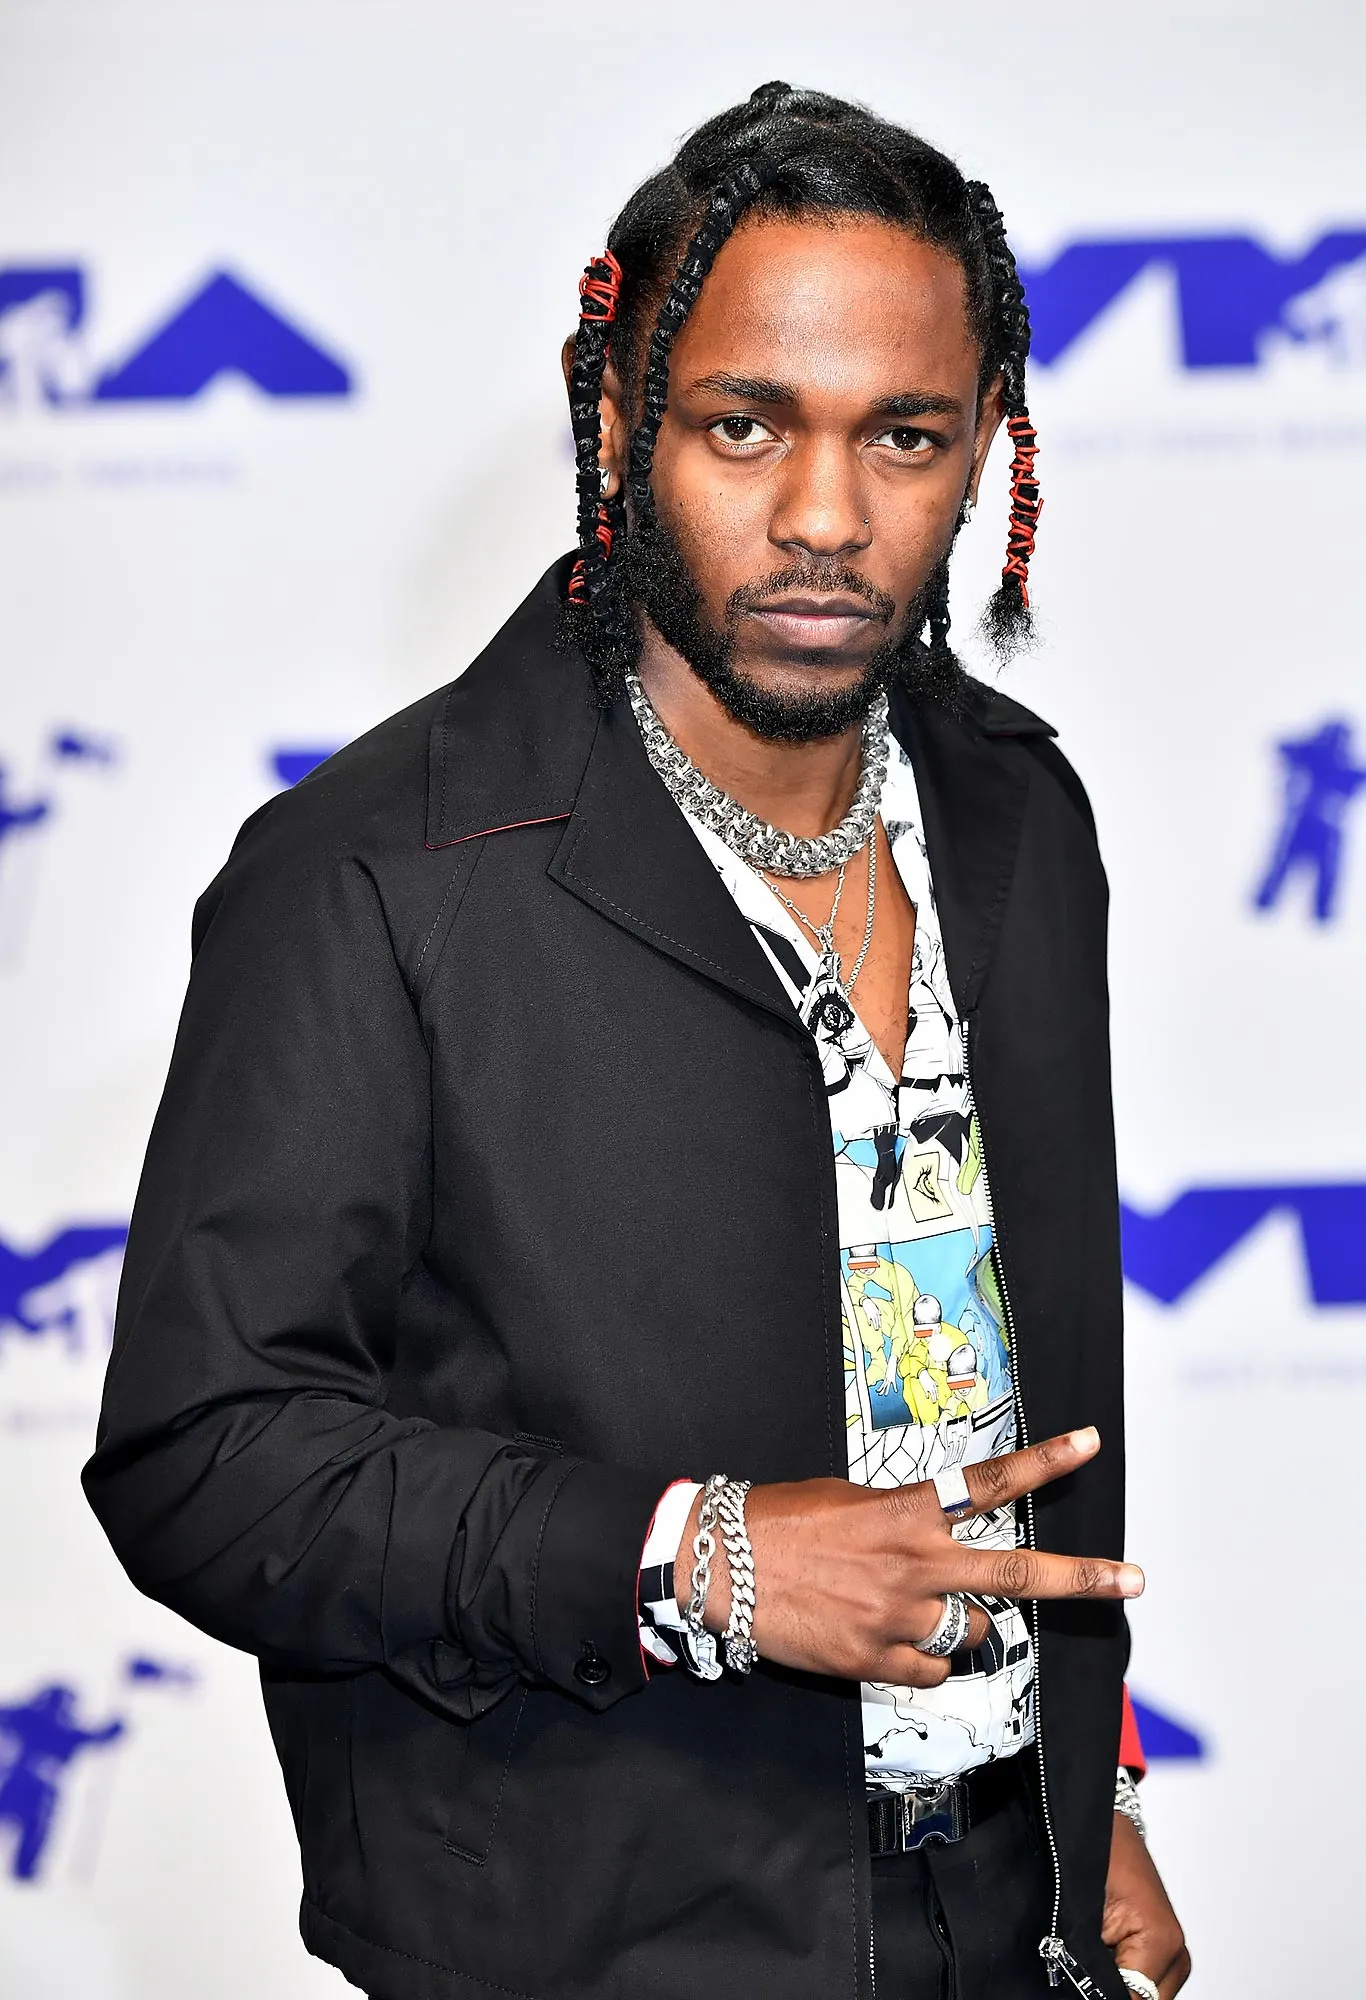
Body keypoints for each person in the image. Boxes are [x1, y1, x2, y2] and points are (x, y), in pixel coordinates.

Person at [84, 83, 1190, 2000]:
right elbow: (210, 1457)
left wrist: (1091, 1787)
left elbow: (985, 1381)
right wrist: (699, 1555)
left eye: (903, 436)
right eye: (744, 425)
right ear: (612, 419)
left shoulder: (1018, 812)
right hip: (594, 1939)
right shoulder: (378, 876)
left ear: (986, 445)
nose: (825, 519)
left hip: (1000, 1901)